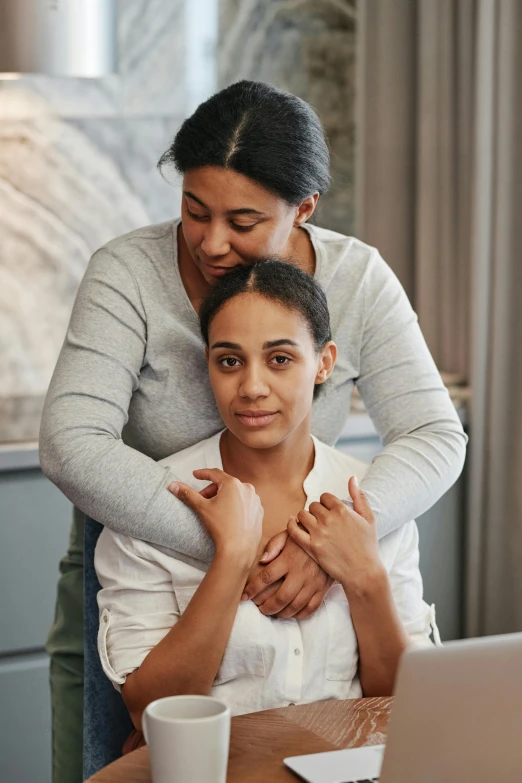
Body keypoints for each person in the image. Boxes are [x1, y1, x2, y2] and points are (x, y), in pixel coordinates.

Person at [40, 80, 465, 783]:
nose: (210, 243)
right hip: (145, 563)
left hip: (308, 556)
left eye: (242, 220)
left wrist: (324, 546)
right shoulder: (128, 274)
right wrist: (240, 546)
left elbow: (434, 434)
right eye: (193, 210)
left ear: (303, 210)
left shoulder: (357, 279)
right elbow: (72, 444)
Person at [95, 260, 438, 727]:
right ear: (209, 365)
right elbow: (150, 712)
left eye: (280, 359)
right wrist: (231, 559)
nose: (252, 388)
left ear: (324, 363)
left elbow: (407, 709)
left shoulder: (371, 502)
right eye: (230, 361)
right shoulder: (153, 502)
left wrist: (365, 579)